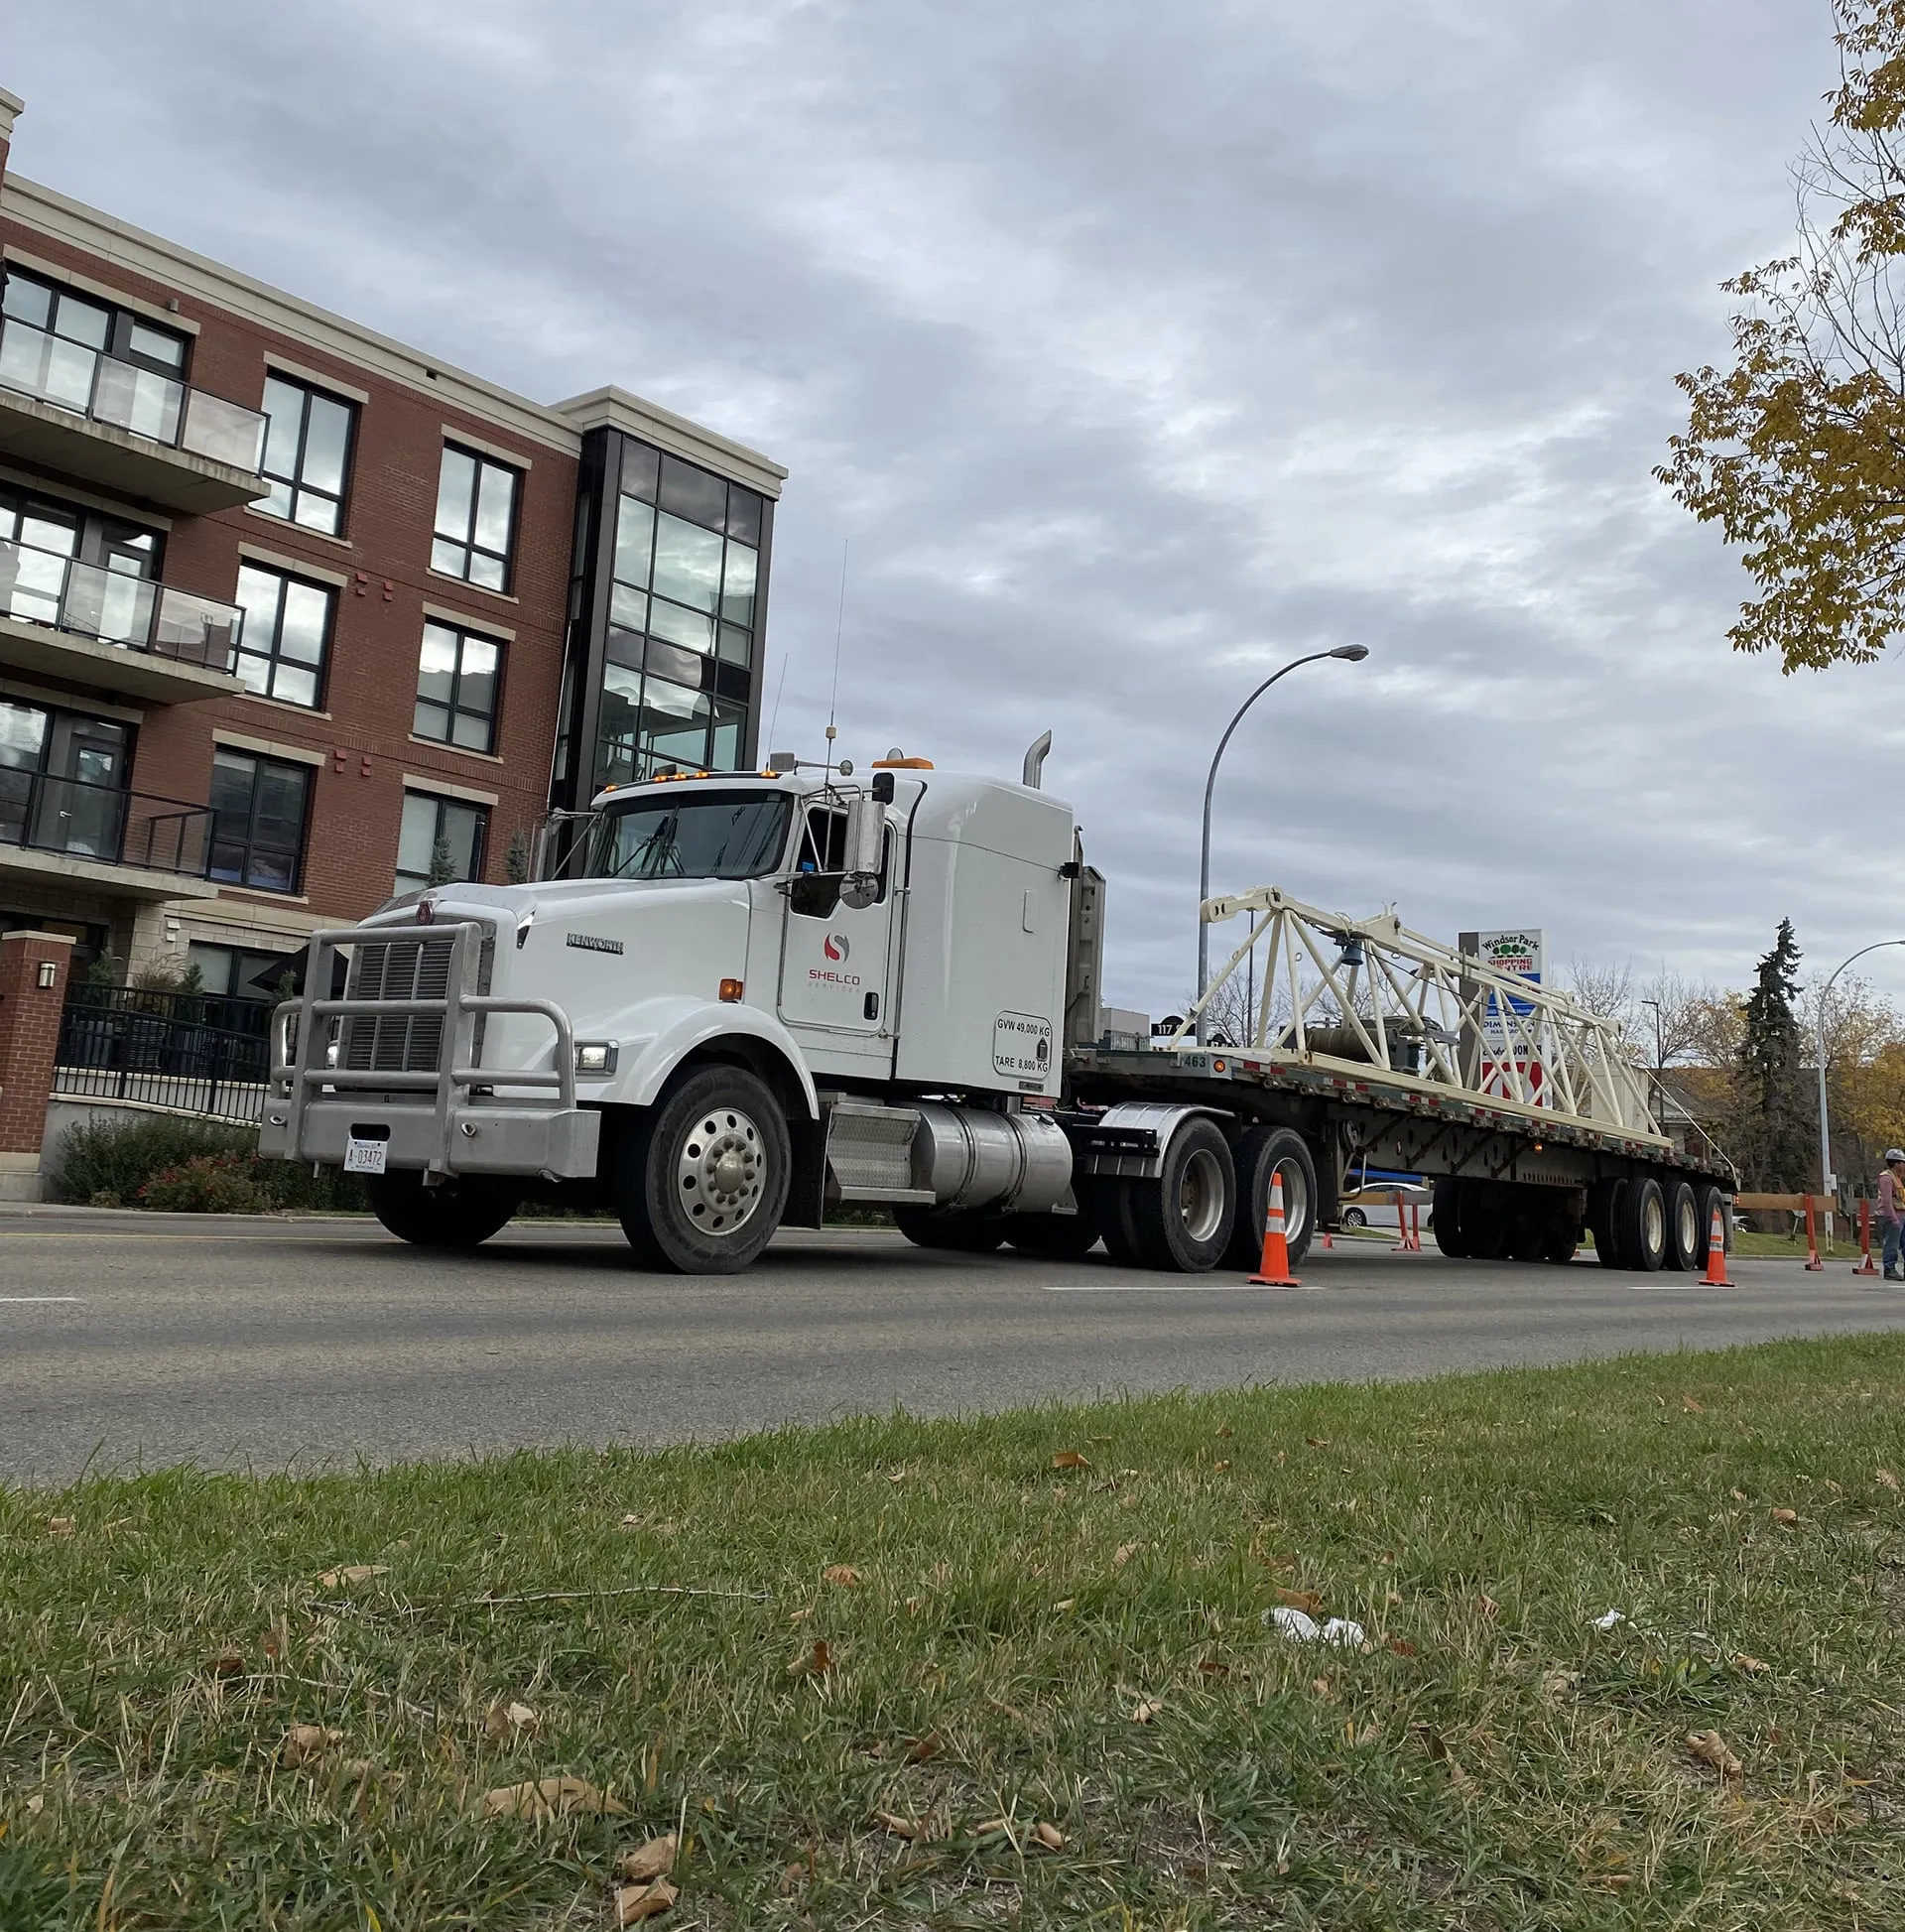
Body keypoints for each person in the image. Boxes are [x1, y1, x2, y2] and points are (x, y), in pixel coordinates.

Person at [1880, 1149, 1905, 1281]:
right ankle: (1889, 1269)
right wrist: (1893, 1217)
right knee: (1892, 1243)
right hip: (1893, 1216)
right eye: (1903, 1162)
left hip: (1902, 1214)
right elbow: (1887, 1200)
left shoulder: (1898, 1178)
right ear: (1896, 1163)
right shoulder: (1886, 1177)